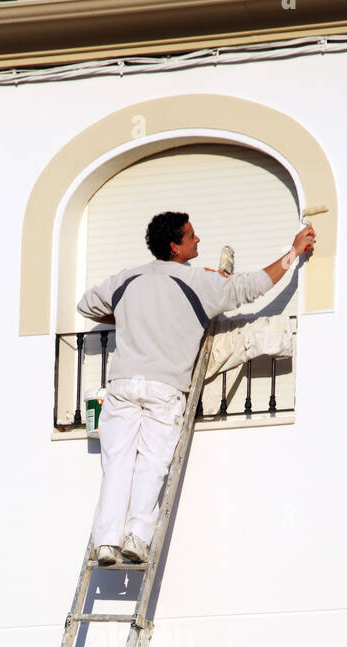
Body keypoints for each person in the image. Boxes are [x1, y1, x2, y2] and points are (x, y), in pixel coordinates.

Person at [77, 211, 316, 566]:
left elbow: (86, 305)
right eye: (191, 236)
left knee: (118, 465)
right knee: (153, 464)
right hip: (164, 387)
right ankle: (136, 538)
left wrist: (127, 315)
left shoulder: (126, 279)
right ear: (175, 247)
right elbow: (252, 286)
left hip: (123, 385)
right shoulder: (196, 282)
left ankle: (106, 544)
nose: (198, 240)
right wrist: (293, 252)